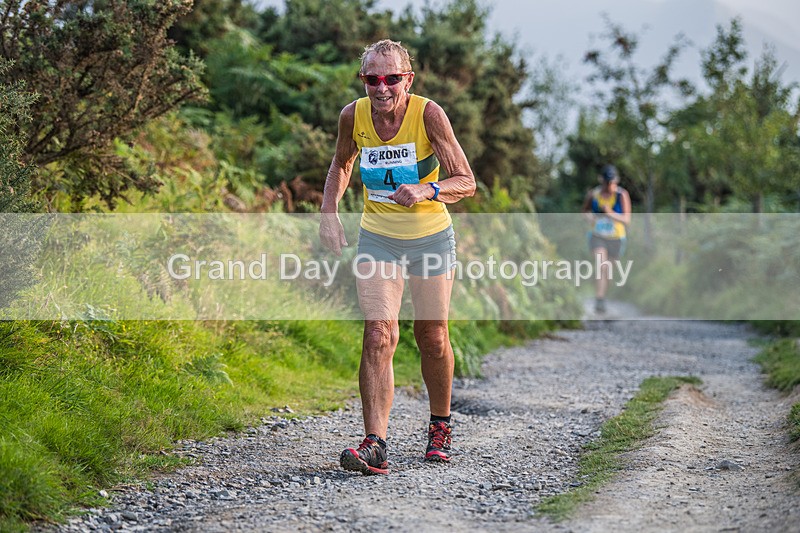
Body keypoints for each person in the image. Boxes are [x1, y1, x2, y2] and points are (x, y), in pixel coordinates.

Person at [319, 39, 476, 475]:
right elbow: (341, 163)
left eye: (391, 78)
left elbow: (466, 180)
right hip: (379, 237)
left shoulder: (428, 115)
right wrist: (329, 212)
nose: (382, 87)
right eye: (372, 78)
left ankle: (440, 425)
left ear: (408, 79)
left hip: (429, 236)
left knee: (432, 336)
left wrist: (428, 189)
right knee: (378, 333)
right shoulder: (353, 115)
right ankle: (375, 443)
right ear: (363, 80)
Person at [581, 164, 631, 314]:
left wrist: (610, 214)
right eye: (607, 183)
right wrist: (589, 218)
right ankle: (599, 299)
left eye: (612, 183)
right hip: (597, 236)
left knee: (608, 271)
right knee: (601, 265)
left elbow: (627, 219)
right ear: (601, 181)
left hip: (616, 238)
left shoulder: (622, 195)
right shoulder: (593, 194)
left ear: (616, 181)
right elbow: (584, 211)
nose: (609, 186)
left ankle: (602, 295)